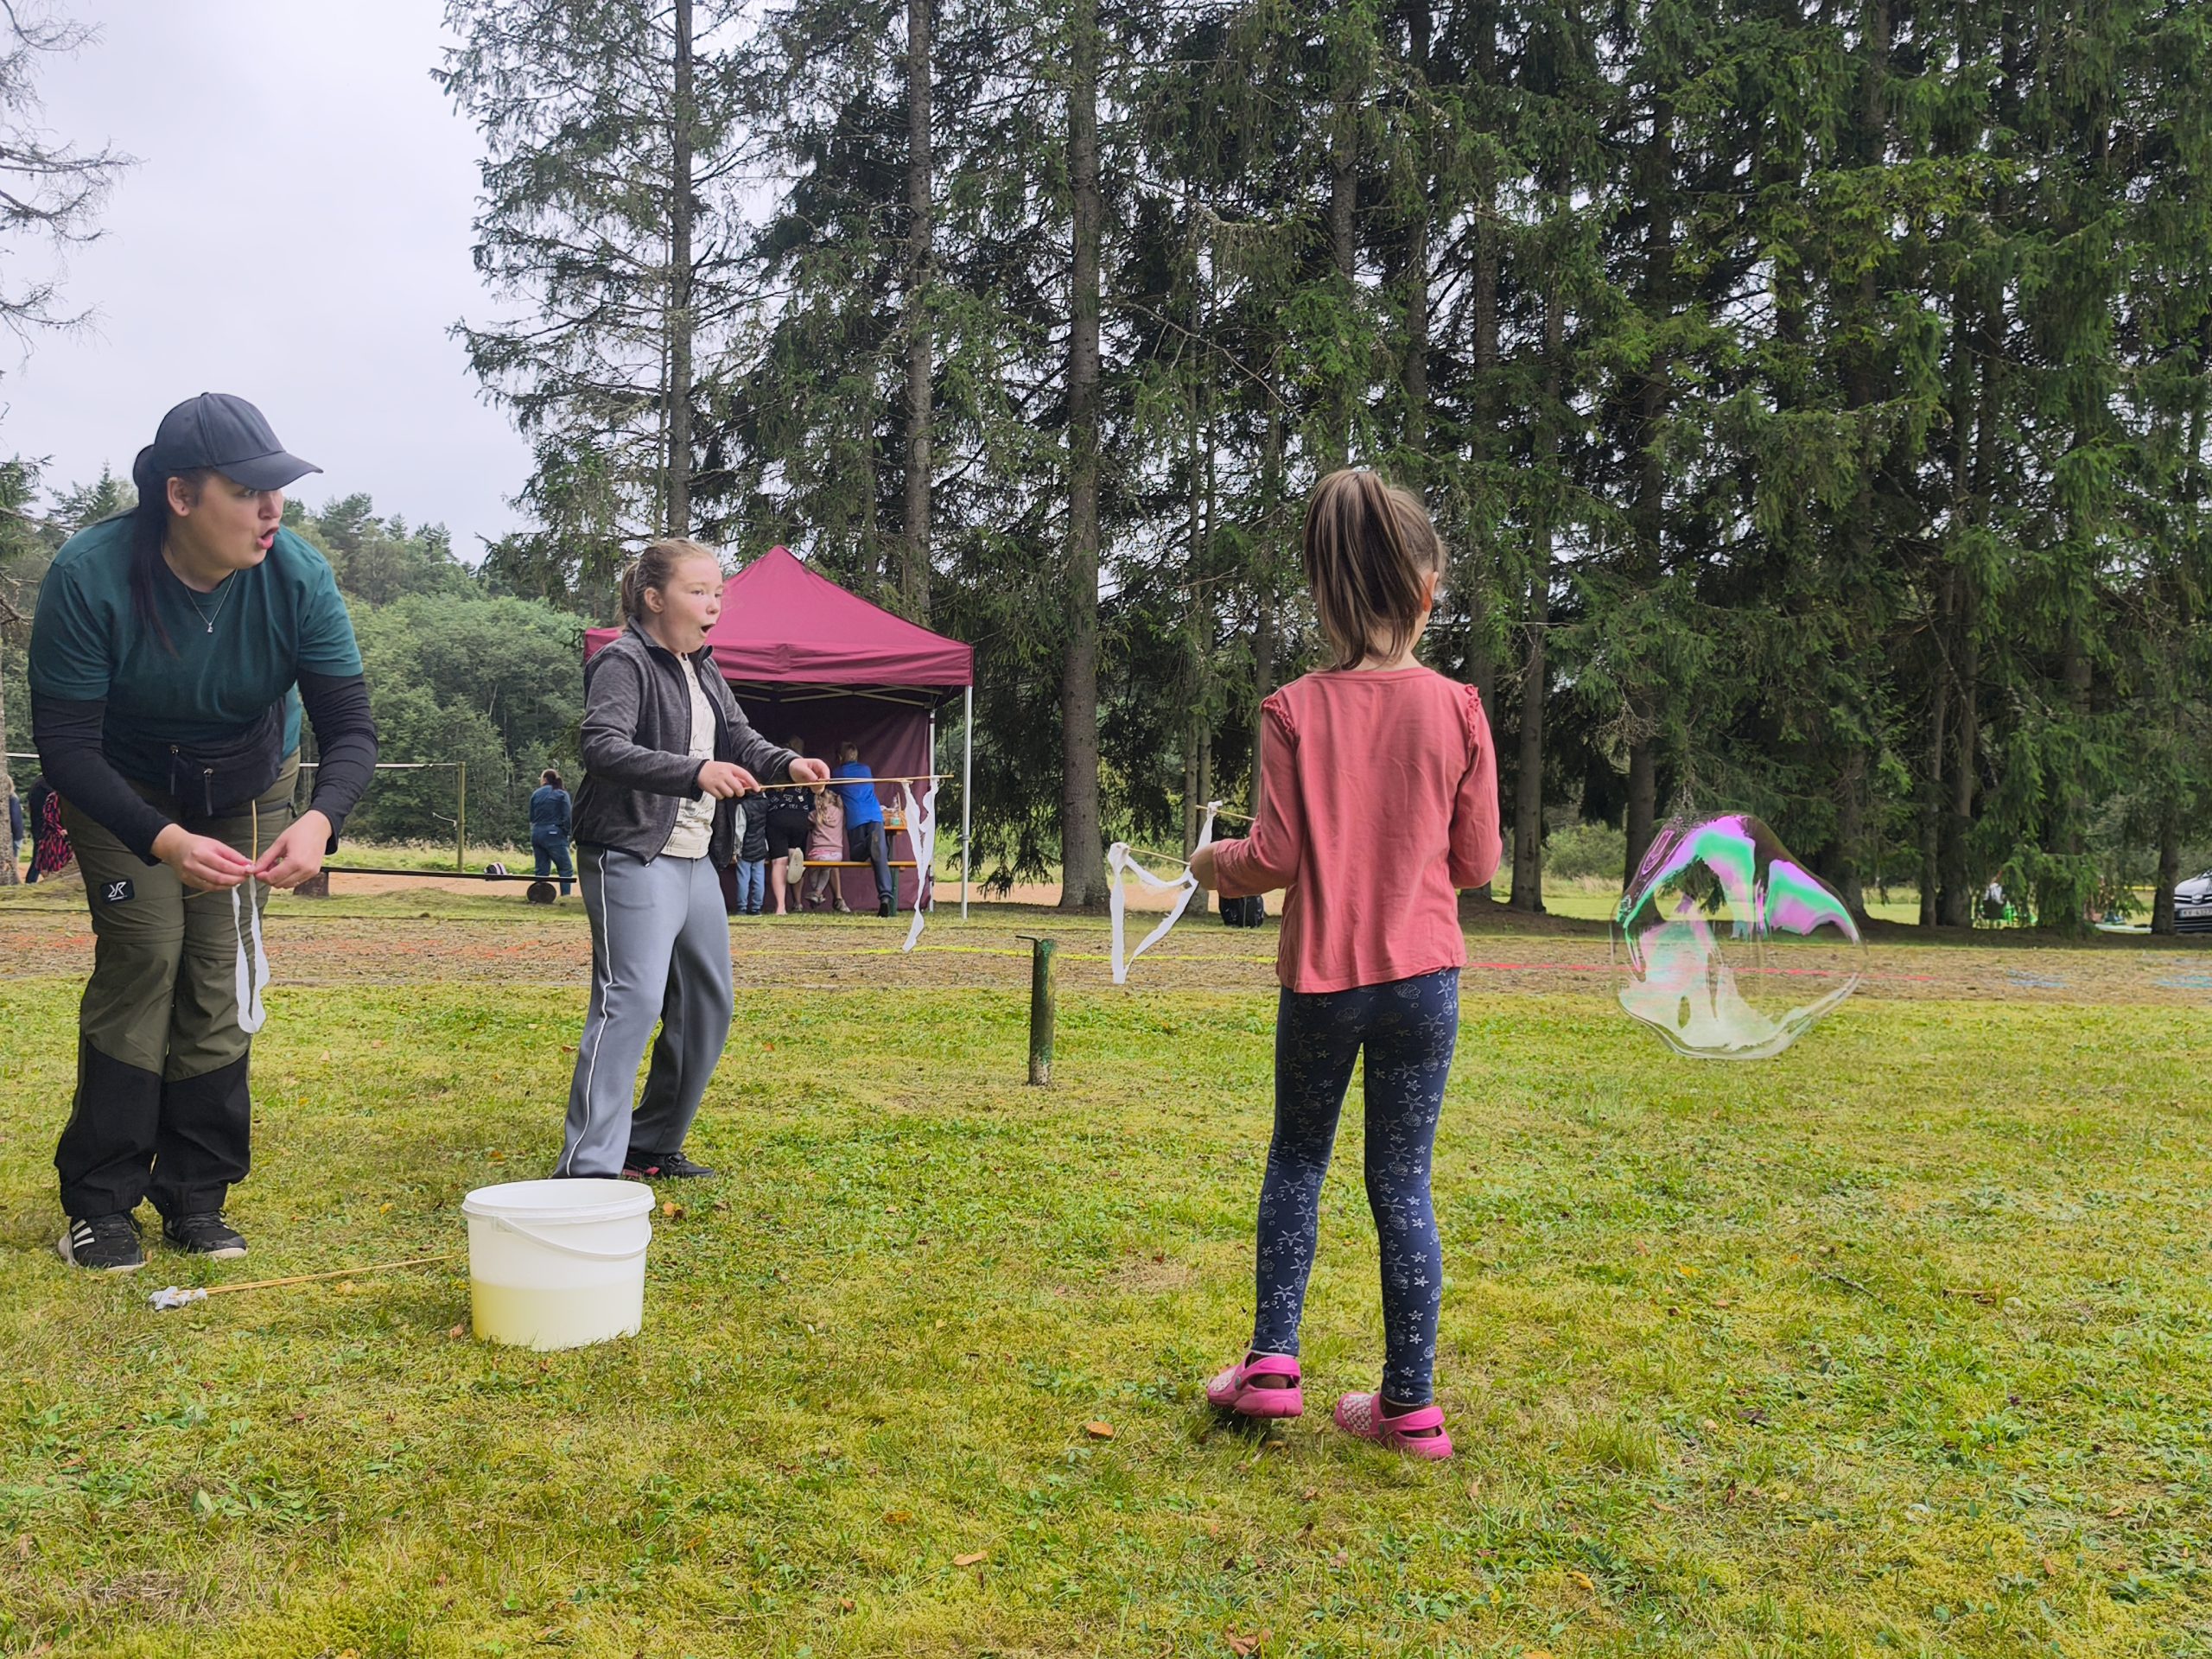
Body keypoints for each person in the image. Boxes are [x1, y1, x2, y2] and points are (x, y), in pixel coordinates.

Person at [29, 393, 378, 1271]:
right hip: (123, 786)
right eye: (248, 491)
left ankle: (196, 1195)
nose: (273, 510)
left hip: (251, 777)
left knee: (218, 974)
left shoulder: (298, 576)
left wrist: (320, 819)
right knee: (147, 956)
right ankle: (100, 1203)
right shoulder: (89, 574)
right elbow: (66, 747)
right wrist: (164, 840)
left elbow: (351, 729)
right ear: (181, 497)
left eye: (278, 489)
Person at [1190, 469, 1500, 1460]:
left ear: (1321, 593)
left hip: (1323, 983)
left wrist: (1209, 863)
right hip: (1425, 981)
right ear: (1428, 589)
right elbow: (1477, 864)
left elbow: (1272, 858)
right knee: (1402, 1183)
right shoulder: (1459, 708)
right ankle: (1409, 1406)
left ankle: (1271, 1366)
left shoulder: (1291, 709)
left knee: (1297, 1160)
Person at [557, 539, 830, 1183]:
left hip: (693, 857)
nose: (714, 605)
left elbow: (742, 738)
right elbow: (602, 748)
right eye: (698, 592)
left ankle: (650, 1143)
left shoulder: (703, 666)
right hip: (630, 850)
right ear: (655, 599)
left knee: (708, 1003)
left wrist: (789, 763)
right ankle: (587, 1169)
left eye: (718, 593)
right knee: (631, 1000)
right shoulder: (623, 660)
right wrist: (695, 771)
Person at [833, 740, 896, 918]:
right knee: (880, 858)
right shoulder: (866, 770)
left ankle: (870, 842)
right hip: (875, 815)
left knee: (857, 855)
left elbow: (829, 791)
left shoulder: (839, 773)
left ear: (839, 757)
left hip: (857, 817)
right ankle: (885, 898)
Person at [761, 735, 816, 914]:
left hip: (777, 816)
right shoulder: (804, 771)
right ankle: (798, 902)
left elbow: (765, 796)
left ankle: (781, 907)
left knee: (778, 862)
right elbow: (812, 798)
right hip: (799, 816)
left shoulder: (772, 771)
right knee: (797, 857)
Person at [802, 777, 850, 912]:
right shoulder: (840, 812)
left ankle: (816, 892)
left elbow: (805, 821)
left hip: (818, 852)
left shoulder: (815, 814)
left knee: (813, 869)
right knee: (826, 869)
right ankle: (818, 893)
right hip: (836, 854)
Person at [530, 768, 575, 897]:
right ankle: (565, 896)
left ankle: (540, 896)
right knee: (565, 868)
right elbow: (567, 817)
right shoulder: (561, 793)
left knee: (541, 870)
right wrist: (567, 833)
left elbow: (532, 817)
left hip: (537, 832)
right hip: (554, 833)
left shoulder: (536, 794)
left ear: (544, 779)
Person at [734, 787, 769, 915]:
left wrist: (736, 849)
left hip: (746, 846)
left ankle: (742, 907)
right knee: (759, 878)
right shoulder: (765, 803)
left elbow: (739, 830)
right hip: (761, 844)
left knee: (743, 878)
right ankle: (756, 907)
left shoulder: (743, 806)